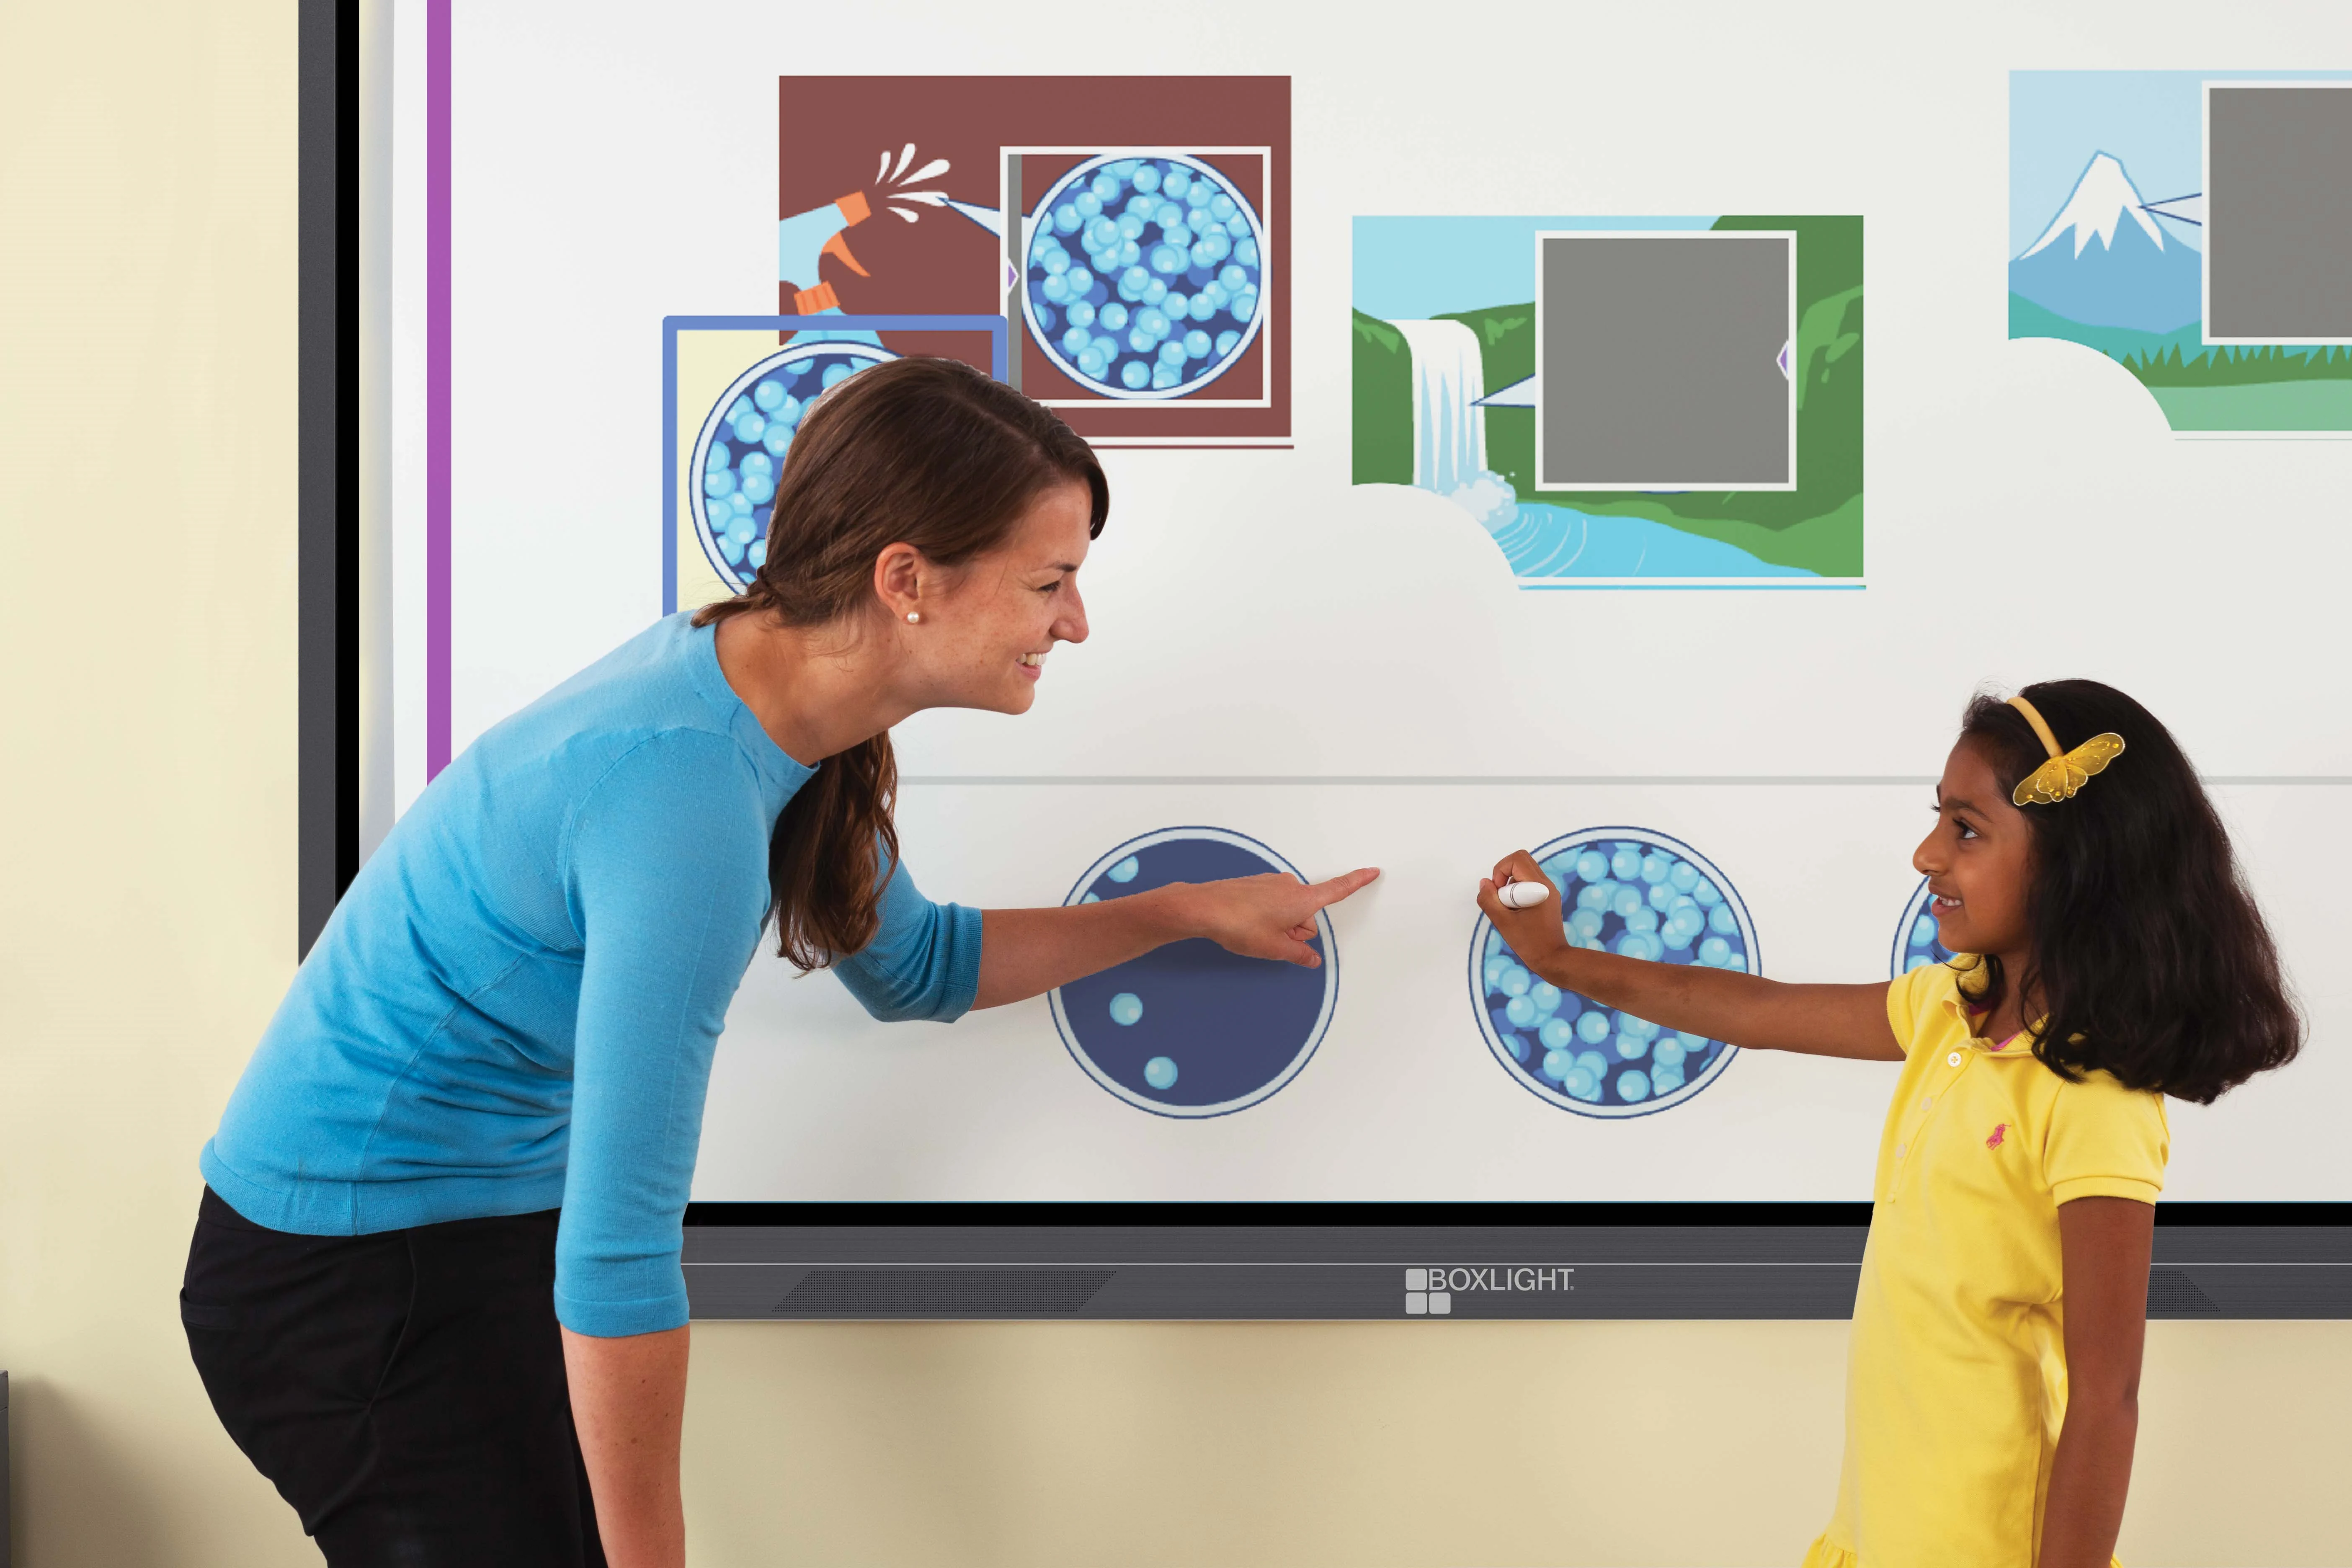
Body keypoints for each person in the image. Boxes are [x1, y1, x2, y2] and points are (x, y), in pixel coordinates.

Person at [183, 356, 1379, 1568]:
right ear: (906, 580)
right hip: (341, 1277)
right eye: (1050, 581)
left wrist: (1178, 911)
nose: (1074, 621)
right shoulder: (685, 798)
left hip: (474, 1226)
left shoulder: (784, 705)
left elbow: (921, 968)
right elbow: (618, 1251)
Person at [1478, 681, 2299, 1568]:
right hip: (1878, 1534)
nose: (1925, 855)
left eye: (1966, 830)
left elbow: (2108, 1396)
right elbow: (1751, 1009)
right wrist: (1557, 959)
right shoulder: (1947, 1012)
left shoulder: (2093, 1096)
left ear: (2075, 863)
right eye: (1938, 821)